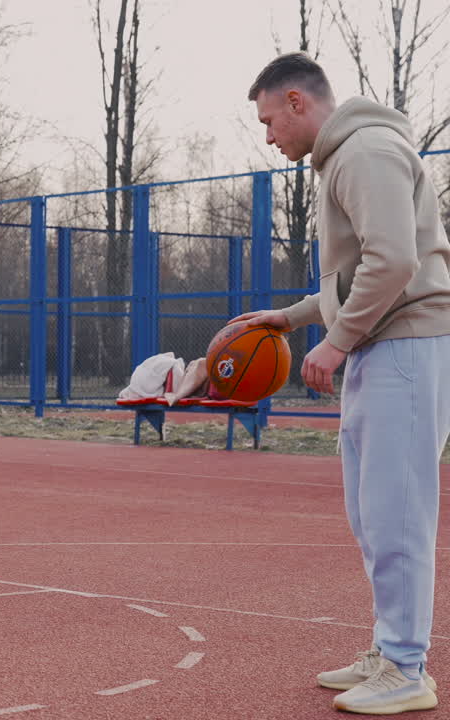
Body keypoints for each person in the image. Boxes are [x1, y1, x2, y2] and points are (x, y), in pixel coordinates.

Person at [232, 52, 450, 715]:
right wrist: (296, 317)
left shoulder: (365, 152)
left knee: (397, 515)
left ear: (298, 102)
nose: (268, 136)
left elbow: (395, 261)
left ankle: (408, 669)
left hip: (406, 345)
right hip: (383, 345)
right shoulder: (347, 157)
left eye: (270, 121)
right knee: (371, 514)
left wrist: (334, 340)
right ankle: (391, 649)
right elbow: (358, 274)